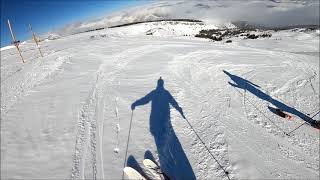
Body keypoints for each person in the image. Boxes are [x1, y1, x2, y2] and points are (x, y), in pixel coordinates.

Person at [131, 77, 196, 180]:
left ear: (158, 84)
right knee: (166, 140)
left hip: (157, 123)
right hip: (162, 122)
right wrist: (179, 109)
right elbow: (172, 102)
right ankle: (165, 160)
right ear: (162, 84)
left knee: (163, 142)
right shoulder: (165, 93)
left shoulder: (155, 93)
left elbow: (145, 100)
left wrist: (135, 103)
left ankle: (165, 161)